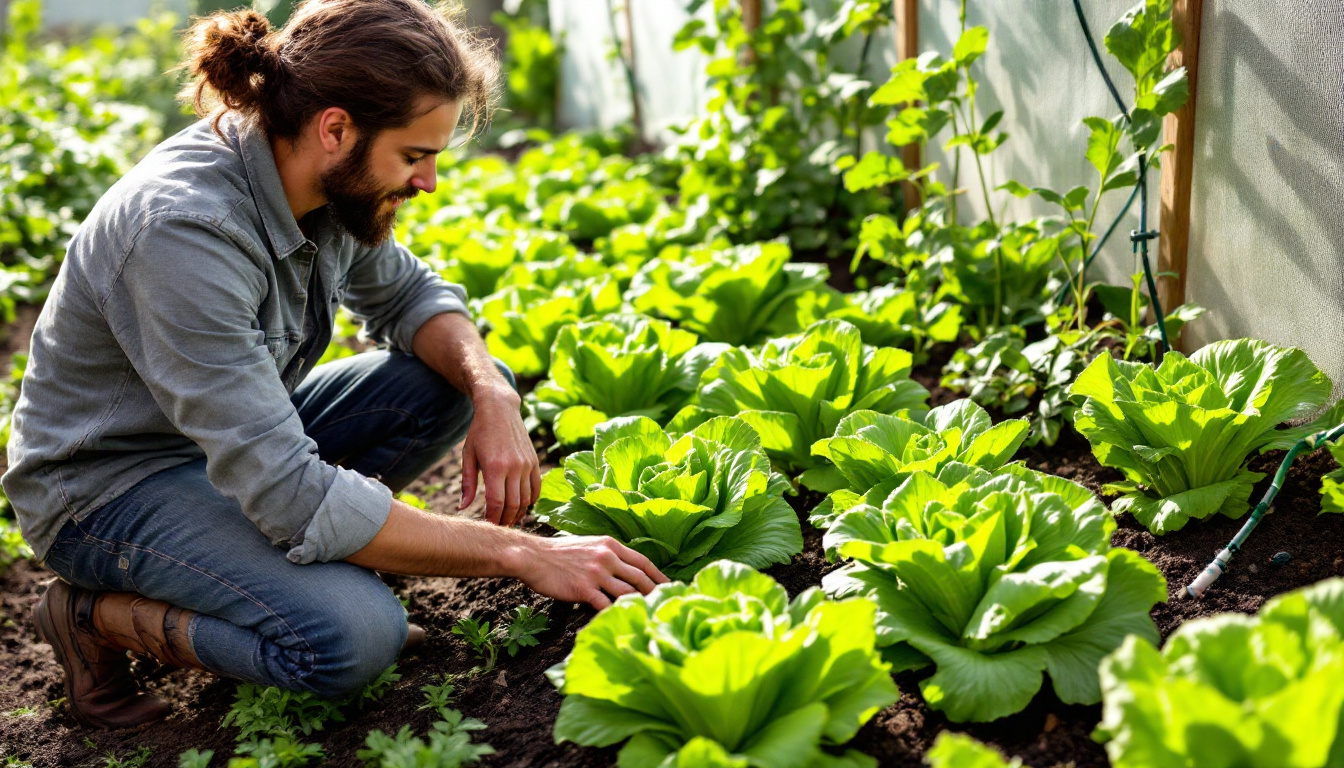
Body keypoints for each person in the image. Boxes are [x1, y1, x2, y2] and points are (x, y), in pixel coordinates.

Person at [3, 0, 666, 730]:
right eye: (415, 156)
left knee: (443, 383)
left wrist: (494, 395)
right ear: (337, 128)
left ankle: (296, 564)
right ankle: (92, 614)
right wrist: (522, 553)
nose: (428, 183)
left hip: (223, 449)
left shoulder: (318, 176)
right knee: (351, 638)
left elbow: (412, 295)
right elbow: (290, 492)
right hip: (110, 487)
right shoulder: (184, 232)